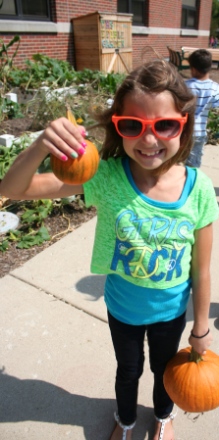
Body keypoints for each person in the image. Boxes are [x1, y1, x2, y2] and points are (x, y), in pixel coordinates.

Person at [0, 58, 218, 440]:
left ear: (183, 125)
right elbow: (13, 189)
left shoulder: (198, 189)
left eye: (164, 125)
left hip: (171, 313)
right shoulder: (106, 177)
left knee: (165, 371)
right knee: (128, 371)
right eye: (133, 125)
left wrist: (200, 328)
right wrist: (40, 145)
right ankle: (127, 418)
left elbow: (201, 270)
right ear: (118, 126)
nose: (149, 141)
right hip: (122, 309)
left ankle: (163, 415)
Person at [185, 48, 219, 168]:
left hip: (184, 130)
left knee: (179, 160)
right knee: (194, 164)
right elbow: (216, 107)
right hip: (199, 132)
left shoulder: (185, 86)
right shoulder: (215, 88)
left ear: (193, 68)